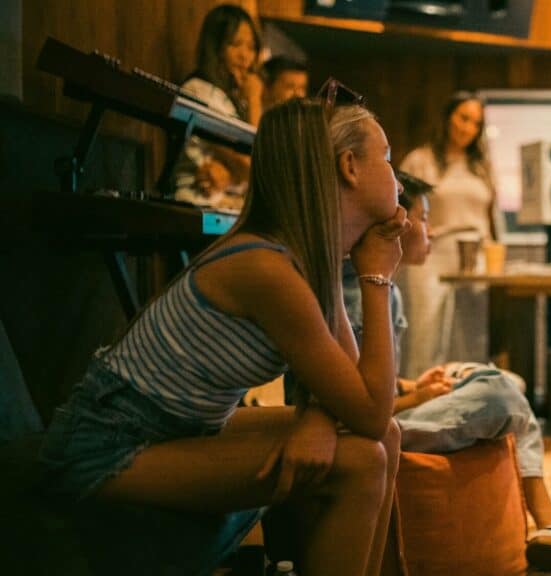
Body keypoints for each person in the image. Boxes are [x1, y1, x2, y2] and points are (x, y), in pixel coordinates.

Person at [38, 98, 409, 576]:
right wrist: (376, 278)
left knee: (387, 441)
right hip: (109, 442)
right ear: (350, 166)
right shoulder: (267, 269)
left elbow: (356, 397)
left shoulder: (301, 259)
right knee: (361, 461)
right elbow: (370, 410)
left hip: (178, 428)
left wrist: (316, 418)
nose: (397, 178)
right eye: (387, 156)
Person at [342, 172, 551, 575]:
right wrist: (416, 399)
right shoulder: (360, 293)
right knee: (500, 395)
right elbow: (353, 407)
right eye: (425, 219)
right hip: (378, 430)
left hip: (392, 409)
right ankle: (548, 521)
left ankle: (547, 525)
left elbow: (372, 376)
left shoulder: (383, 287)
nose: (432, 231)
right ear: (396, 224)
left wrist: (413, 385)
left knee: (501, 381)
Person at [398, 91, 497, 377]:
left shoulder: (481, 166)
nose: (468, 128)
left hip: (473, 259)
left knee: (470, 337)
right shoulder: (421, 161)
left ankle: (467, 406)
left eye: (476, 123)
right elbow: (400, 208)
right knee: (425, 337)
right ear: (447, 118)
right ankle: (419, 407)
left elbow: (487, 217)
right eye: (463, 118)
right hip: (431, 257)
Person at [175, 4, 264, 210]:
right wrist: (254, 100)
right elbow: (253, 166)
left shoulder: (229, 97)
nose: (245, 56)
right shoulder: (199, 90)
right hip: (194, 207)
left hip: (219, 207)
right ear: (216, 48)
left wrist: (230, 176)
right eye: (235, 44)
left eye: (251, 47)